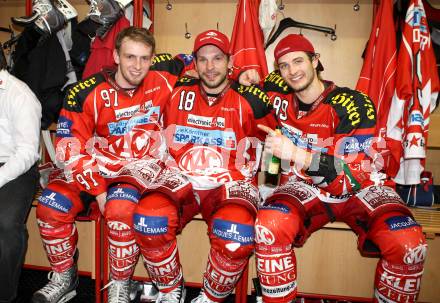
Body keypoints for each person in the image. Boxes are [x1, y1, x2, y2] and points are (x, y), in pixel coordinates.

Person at [243, 34, 427, 302]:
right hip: (308, 188)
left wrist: (295, 153)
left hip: (360, 190)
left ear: (315, 60)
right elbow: (225, 76)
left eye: (298, 61)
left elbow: (348, 177)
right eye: (283, 65)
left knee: (409, 244)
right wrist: (240, 74)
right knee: (268, 225)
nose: (292, 71)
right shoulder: (277, 92)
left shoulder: (354, 104)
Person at [32, 26, 193, 303]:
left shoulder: (164, 73)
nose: (137, 65)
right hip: (94, 168)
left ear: (152, 58)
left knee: (120, 210)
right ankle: (65, 276)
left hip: (140, 168)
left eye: (144, 58)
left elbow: (199, 61)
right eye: (130, 57)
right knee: (50, 204)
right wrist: (98, 190)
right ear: (116, 56)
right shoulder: (84, 92)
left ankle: (120, 282)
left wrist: (239, 70)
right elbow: (68, 147)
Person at [133, 29, 277, 303]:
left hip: (229, 184)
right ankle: (170, 290)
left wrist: (269, 187)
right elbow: (144, 67)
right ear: (194, 63)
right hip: (181, 179)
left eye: (218, 59)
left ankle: (210, 297)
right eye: (203, 60)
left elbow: (275, 144)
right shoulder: (174, 90)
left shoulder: (253, 99)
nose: (210, 68)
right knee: (147, 220)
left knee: (237, 233)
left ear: (230, 61)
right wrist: (183, 63)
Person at [0, 44, 41, 302]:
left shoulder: (19, 94)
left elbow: (27, 152)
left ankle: (4, 295)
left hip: (17, 168)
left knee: (4, 224)